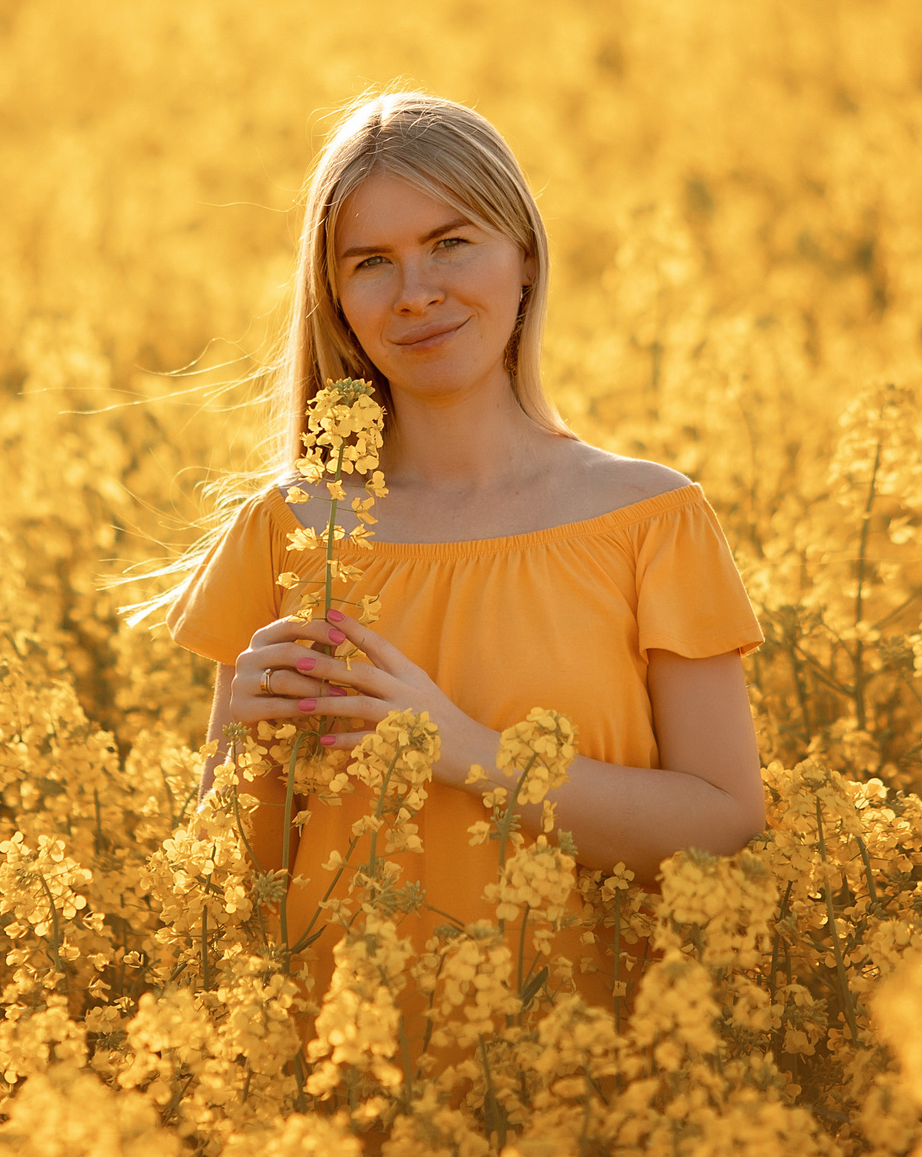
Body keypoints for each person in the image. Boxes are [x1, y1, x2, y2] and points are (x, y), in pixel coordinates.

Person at [158, 91, 767, 983]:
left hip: (594, 1080)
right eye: (373, 262)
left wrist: (462, 748)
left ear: (523, 255)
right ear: (335, 297)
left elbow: (723, 821)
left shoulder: (651, 520)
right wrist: (246, 753)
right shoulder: (289, 531)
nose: (416, 293)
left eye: (450, 243)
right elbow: (227, 898)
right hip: (335, 1087)